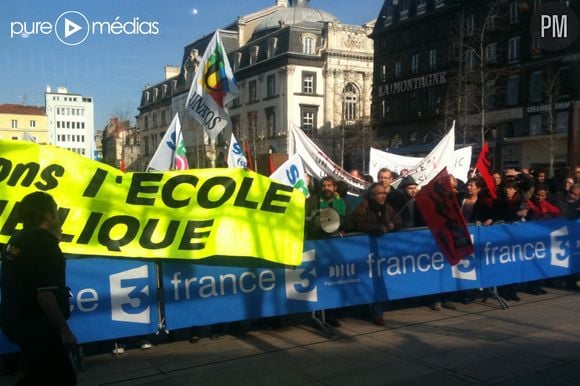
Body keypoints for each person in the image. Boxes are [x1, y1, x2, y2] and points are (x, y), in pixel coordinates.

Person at [0, 191, 77, 386]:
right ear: (48, 215)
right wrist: (64, 330)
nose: (58, 216)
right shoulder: (44, 245)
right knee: (63, 378)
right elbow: (45, 295)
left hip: (16, 321)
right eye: (56, 211)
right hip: (39, 327)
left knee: (41, 374)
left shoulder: (17, 238)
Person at [352, 183, 402, 325]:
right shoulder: (363, 207)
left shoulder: (388, 208)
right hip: (365, 251)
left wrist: (394, 226)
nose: (383, 196)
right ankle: (370, 311)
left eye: (384, 193)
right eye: (379, 194)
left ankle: (377, 312)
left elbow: (399, 221)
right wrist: (376, 229)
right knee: (367, 280)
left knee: (379, 281)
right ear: (372, 195)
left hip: (384, 252)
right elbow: (358, 224)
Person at [304, 176, 346, 327]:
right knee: (319, 281)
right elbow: (305, 221)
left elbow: (345, 220)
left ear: (334, 187)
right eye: (323, 186)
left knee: (332, 281)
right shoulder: (311, 202)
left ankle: (330, 314)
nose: (326, 188)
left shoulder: (340, 202)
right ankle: (316, 314)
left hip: (334, 248)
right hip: (317, 245)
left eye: (329, 185)